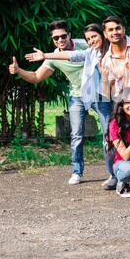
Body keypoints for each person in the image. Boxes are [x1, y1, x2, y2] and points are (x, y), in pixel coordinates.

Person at [24, 23, 117, 190]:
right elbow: (37, 76)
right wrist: (18, 70)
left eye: (63, 36)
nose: (60, 40)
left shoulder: (86, 43)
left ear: (69, 34)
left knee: (108, 133)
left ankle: (114, 172)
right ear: (52, 40)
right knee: (76, 135)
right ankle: (77, 172)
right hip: (77, 96)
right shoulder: (53, 56)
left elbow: (77, 55)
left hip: (99, 94)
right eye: (56, 38)